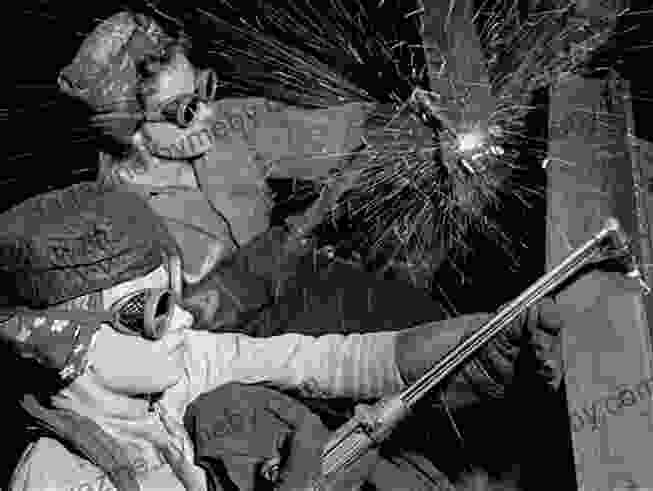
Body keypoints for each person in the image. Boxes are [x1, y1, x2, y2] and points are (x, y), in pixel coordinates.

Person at [4, 11, 570, 491]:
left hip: (289, 298)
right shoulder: (111, 233)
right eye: (182, 113)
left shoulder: (227, 125)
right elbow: (185, 331)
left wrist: (405, 128)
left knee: (447, 378)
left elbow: (323, 134)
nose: (205, 116)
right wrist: (244, 277)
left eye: (203, 90)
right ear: (129, 130)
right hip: (234, 337)